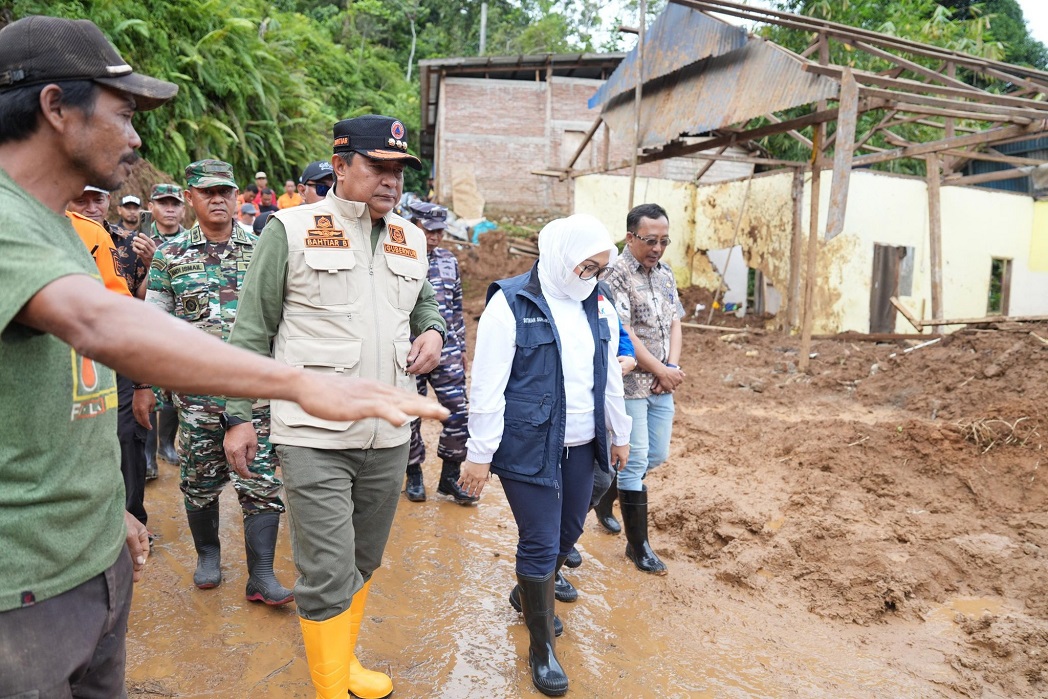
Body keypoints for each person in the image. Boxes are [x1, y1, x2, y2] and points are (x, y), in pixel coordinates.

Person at [0, 16, 446, 698]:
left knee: (363, 556)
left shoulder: (59, 226)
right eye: (123, 114)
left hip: (86, 556)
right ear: (56, 108)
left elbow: (60, 399)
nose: (136, 137)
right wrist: (291, 388)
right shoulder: (13, 223)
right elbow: (103, 321)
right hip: (26, 585)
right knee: (313, 556)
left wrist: (106, 513)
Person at [222, 114, 447, 699]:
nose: (392, 180)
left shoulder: (410, 236)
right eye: (379, 166)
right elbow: (251, 330)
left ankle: (343, 665)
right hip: (312, 435)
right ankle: (329, 689)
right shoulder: (290, 229)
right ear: (341, 166)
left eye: (401, 169)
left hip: (389, 433)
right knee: (325, 571)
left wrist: (434, 332)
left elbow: (422, 304)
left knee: (363, 559)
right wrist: (240, 416)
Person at [459, 214, 632, 697]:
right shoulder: (512, 303)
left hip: (582, 442)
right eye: (585, 267)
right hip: (529, 443)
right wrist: (479, 455)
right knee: (539, 539)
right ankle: (542, 648)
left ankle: (527, 593)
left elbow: (609, 377)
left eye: (599, 268)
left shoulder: (599, 303)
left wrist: (620, 432)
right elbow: (488, 385)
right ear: (560, 257)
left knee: (569, 531)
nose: (592, 277)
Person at [138, 159, 293, 605]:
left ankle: (260, 574)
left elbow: (283, 319)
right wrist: (147, 384)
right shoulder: (171, 255)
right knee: (199, 480)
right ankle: (208, 556)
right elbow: (152, 326)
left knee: (260, 481)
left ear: (237, 195)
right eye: (208, 192)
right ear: (191, 198)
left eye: (226, 190)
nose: (219, 198)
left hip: (254, 394)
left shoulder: (263, 246)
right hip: (197, 398)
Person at [601, 203, 685, 575]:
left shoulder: (665, 274)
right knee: (635, 463)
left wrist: (672, 369)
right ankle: (639, 548)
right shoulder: (615, 275)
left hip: (660, 383)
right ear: (630, 237)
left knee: (657, 455)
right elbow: (624, 333)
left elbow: (675, 323)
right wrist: (659, 370)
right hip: (630, 383)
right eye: (650, 241)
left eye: (664, 241)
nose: (657, 248)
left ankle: (605, 491)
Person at [403, 200, 477, 505]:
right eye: (428, 230)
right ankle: (414, 474)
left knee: (458, 410)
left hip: (447, 350)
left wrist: (460, 346)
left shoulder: (449, 260)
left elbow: (456, 308)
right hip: (409, 352)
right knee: (408, 415)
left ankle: (449, 477)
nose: (434, 237)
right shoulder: (400, 256)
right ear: (415, 225)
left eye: (439, 231)